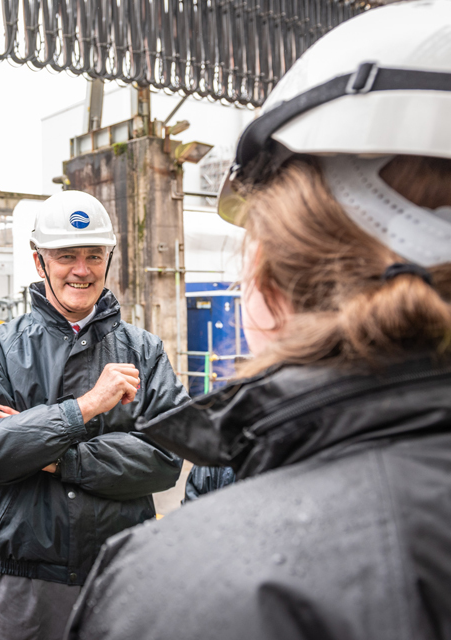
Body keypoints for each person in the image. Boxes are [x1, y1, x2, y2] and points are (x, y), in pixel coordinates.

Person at [67, 3, 451, 639]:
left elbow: (160, 462)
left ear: (268, 285)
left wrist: (60, 445)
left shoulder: (179, 587)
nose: (79, 269)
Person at [0, 190, 188, 640]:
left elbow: (167, 458)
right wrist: (86, 407)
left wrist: (57, 457)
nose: (81, 270)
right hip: (22, 580)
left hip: (122, 576)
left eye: (93, 255)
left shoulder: (143, 350)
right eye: (66, 255)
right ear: (39, 261)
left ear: (109, 258)